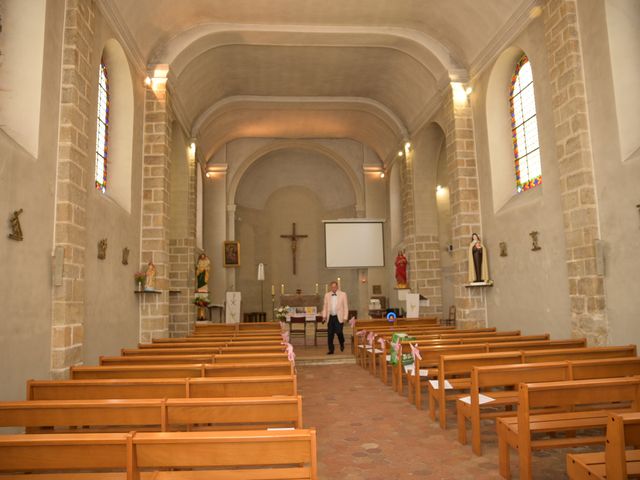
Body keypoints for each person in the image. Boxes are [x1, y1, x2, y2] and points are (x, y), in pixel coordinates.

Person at [321, 280, 348, 354]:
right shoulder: (327, 295)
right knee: (330, 334)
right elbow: (325, 306)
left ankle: (342, 342)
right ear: (330, 287)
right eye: (332, 287)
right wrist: (324, 316)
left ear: (337, 287)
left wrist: (345, 317)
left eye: (335, 287)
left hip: (339, 317)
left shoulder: (343, 294)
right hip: (331, 317)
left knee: (339, 332)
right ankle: (331, 350)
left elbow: (345, 306)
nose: (333, 288)